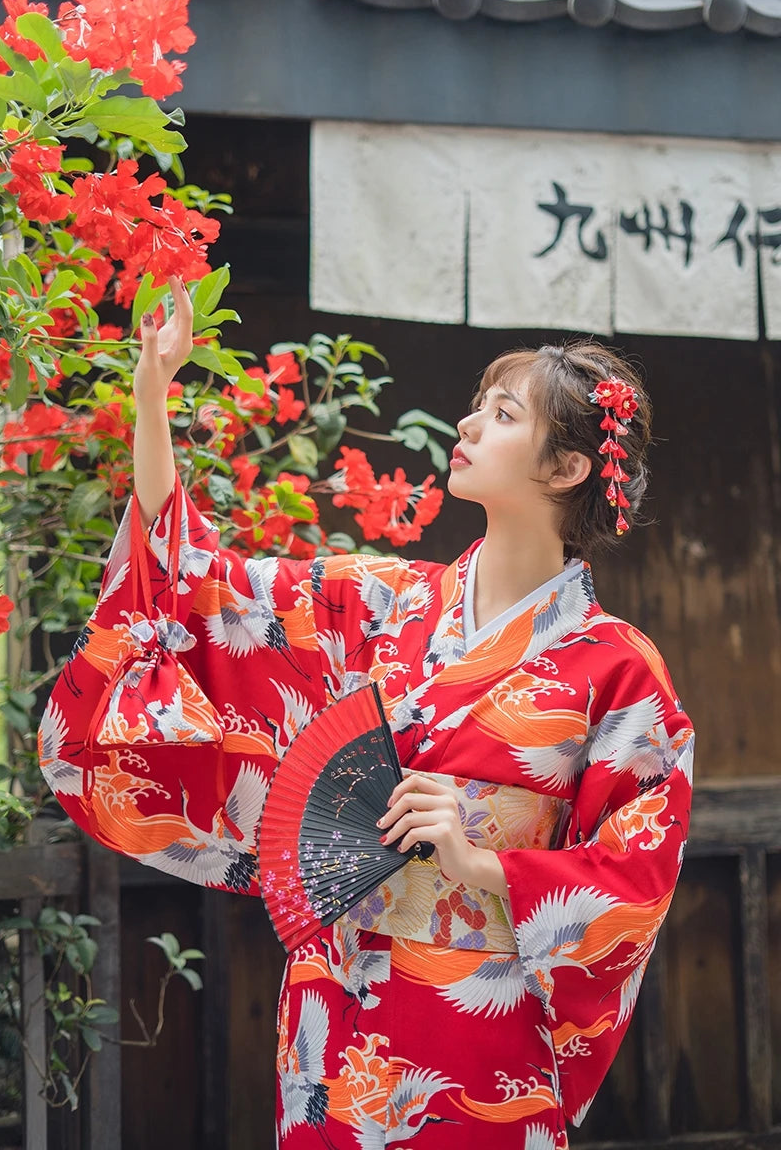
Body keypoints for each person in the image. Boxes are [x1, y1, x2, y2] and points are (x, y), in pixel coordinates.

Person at [40, 277, 694, 1149]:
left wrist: (480, 860)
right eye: (478, 408)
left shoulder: (619, 669)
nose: (466, 426)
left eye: (501, 415)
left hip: (480, 1018)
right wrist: (152, 397)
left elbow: (635, 880)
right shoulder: (381, 603)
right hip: (334, 1002)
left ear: (568, 468)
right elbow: (200, 586)